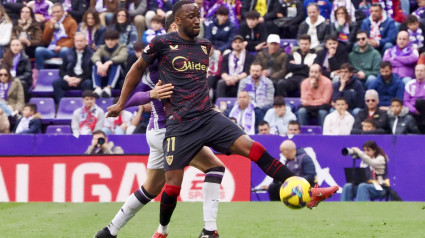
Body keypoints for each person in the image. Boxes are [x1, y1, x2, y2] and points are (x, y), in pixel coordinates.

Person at [106, 2, 338, 237]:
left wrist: (212, 110)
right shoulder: (159, 52)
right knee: (175, 184)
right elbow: (136, 75)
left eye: (199, 16)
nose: (197, 21)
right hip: (169, 128)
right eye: (191, 17)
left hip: (205, 117)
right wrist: (127, 101)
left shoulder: (204, 47)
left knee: (248, 150)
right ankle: (166, 231)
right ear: (175, 23)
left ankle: (308, 191)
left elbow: (194, 85)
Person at [94, 15, 227, 238]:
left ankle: (110, 230)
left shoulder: (181, 56)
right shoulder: (160, 59)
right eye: (175, 27)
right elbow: (133, 94)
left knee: (150, 189)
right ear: (170, 30)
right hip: (171, 131)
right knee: (215, 168)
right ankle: (208, 231)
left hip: (158, 132)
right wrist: (150, 94)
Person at [52, 32, 94, 103]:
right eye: (77, 41)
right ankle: (62, 105)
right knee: (56, 83)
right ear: (74, 42)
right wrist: (68, 78)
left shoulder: (91, 53)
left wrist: (80, 79)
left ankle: (84, 106)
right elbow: (62, 70)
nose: (79, 43)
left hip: (83, 79)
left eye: (81, 41)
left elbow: (91, 71)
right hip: (70, 79)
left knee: (88, 83)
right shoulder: (68, 53)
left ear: (85, 42)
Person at [35, 3, 77, 70]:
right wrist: (50, 27)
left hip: (63, 49)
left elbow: (73, 39)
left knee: (65, 50)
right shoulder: (49, 22)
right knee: (39, 50)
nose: (56, 14)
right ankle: (41, 73)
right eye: (54, 12)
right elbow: (44, 41)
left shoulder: (71, 22)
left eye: (58, 12)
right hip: (51, 50)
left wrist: (61, 46)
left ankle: (65, 73)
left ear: (63, 12)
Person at [91, 29, 128, 98]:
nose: (110, 42)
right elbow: (95, 56)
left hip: (118, 76)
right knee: (96, 65)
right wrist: (99, 64)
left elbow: (123, 57)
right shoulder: (102, 48)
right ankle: (97, 88)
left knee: (116, 64)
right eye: (107, 40)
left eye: (112, 40)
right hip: (104, 73)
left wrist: (109, 62)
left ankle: (108, 88)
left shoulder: (122, 47)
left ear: (117, 40)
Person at [404, 64, 425, 133]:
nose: (419, 72)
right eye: (417, 70)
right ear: (414, 72)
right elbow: (406, 101)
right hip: (413, 110)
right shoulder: (409, 84)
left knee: (420, 101)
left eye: (421, 70)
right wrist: (414, 110)